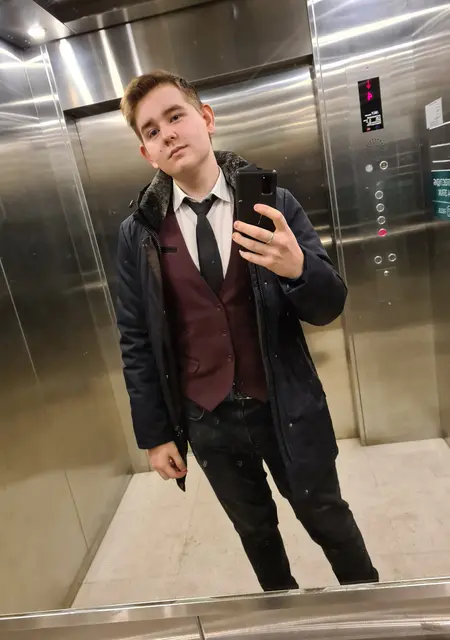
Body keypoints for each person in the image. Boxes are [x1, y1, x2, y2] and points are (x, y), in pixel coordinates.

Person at [117, 69, 379, 591]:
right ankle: (280, 612)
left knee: (326, 515)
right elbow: (135, 338)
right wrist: (155, 434)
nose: (167, 134)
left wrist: (298, 269)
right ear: (147, 153)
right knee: (255, 532)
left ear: (206, 118)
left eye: (176, 116)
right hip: (205, 418)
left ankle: (375, 606)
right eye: (152, 130)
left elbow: (329, 305)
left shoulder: (272, 204)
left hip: (285, 403)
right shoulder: (138, 232)